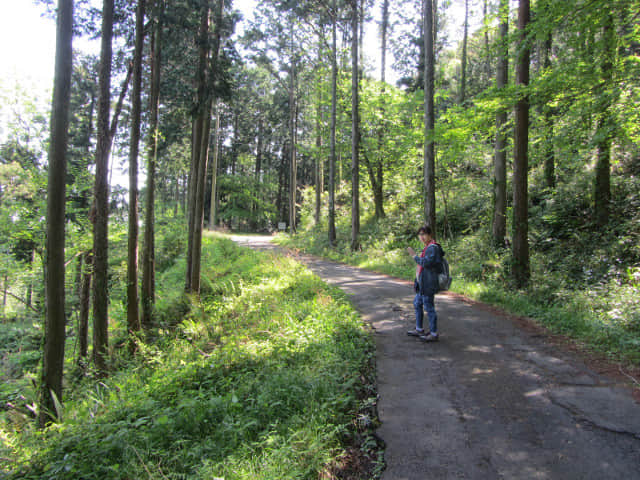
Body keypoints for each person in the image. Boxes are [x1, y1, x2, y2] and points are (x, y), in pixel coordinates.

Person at [406, 225, 444, 342]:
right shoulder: (427, 247)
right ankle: (419, 329)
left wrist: (414, 256)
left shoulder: (433, 248)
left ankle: (433, 333)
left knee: (429, 307)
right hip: (422, 283)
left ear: (430, 235)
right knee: (417, 303)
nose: (421, 237)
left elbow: (426, 263)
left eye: (424, 234)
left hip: (428, 283)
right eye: (420, 234)